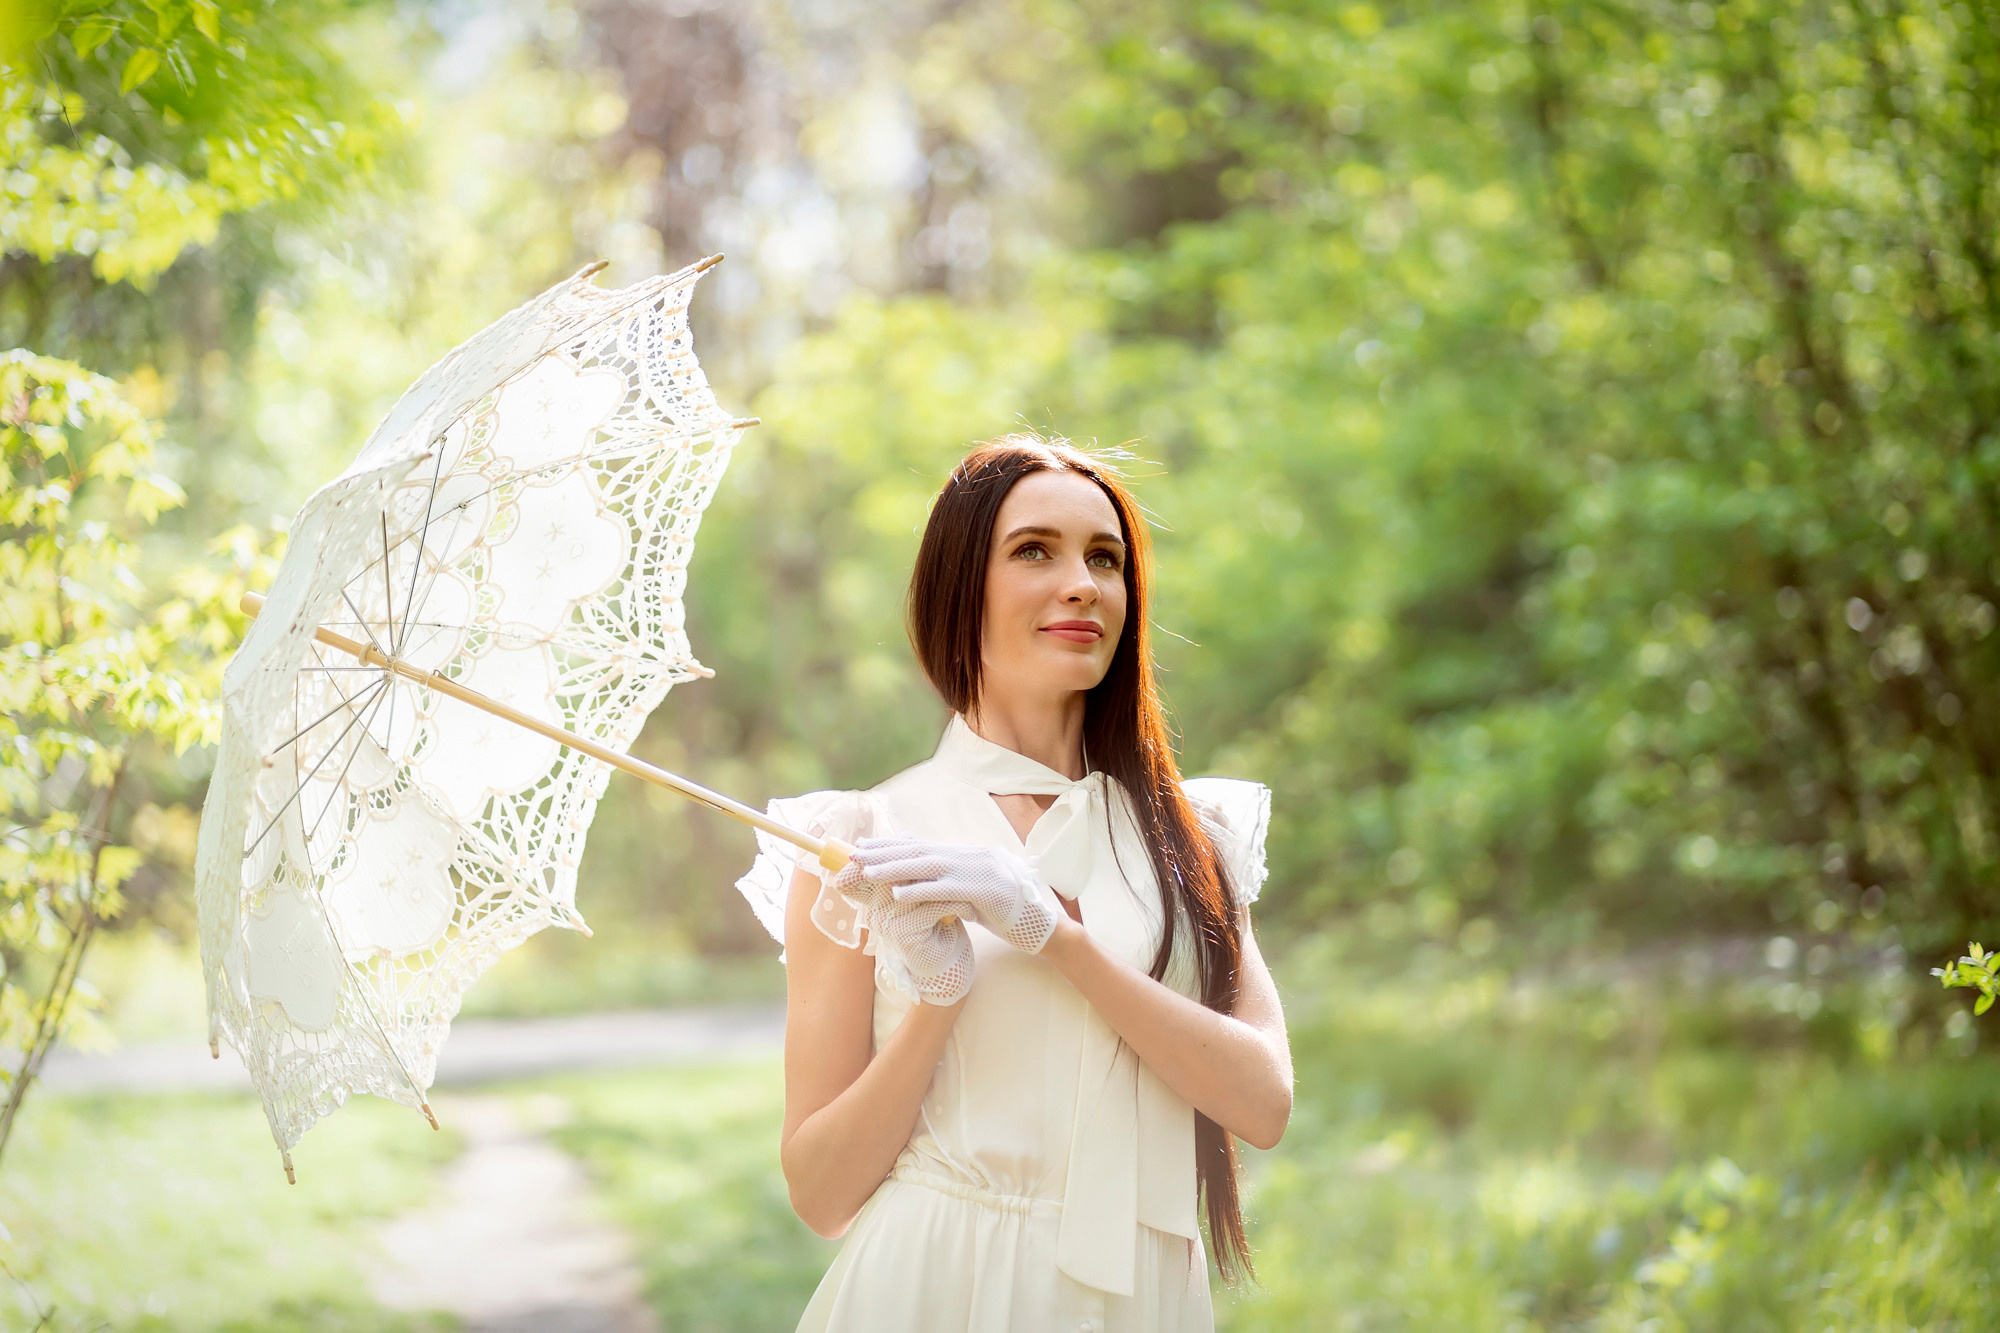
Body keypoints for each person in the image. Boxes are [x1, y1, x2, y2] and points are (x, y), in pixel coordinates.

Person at [735, 433, 1293, 1331]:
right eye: (1035, 550)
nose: (1082, 583)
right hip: (935, 1285)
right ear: (963, 586)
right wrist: (938, 996)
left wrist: (1055, 935)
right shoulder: (861, 841)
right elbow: (823, 1193)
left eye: (1104, 558)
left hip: (1142, 1299)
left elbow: (1263, 1102)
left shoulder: (1195, 839)